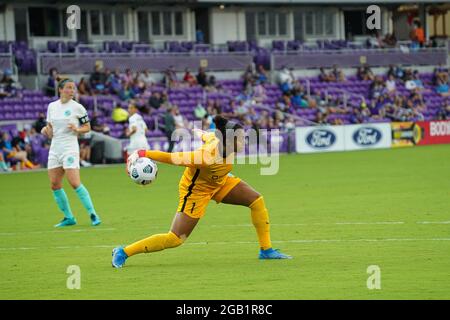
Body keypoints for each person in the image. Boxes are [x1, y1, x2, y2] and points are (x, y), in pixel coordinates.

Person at [111, 115, 291, 268]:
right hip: (196, 191)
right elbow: (171, 157)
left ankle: (266, 250)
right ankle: (123, 252)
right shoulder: (205, 156)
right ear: (229, 140)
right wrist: (141, 153)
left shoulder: (219, 140)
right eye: (241, 138)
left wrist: (198, 132)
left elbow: (207, 135)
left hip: (220, 182)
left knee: (256, 200)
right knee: (175, 239)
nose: (245, 140)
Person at [40, 78, 101, 227]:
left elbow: (87, 127)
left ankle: (93, 214)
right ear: (60, 90)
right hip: (55, 148)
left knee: (74, 182)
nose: (72, 91)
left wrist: (77, 129)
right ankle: (69, 217)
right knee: (54, 184)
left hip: (70, 148)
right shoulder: (52, 106)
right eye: (69, 88)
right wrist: (45, 131)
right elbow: (50, 128)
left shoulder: (78, 107)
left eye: (73, 88)